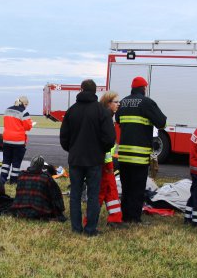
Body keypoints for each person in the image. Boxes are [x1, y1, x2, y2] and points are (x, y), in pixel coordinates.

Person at [60, 79, 116, 236]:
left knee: (75, 194)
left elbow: (64, 137)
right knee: (93, 195)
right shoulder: (101, 111)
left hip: (76, 159)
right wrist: (100, 151)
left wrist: (72, 149)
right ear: (95, 91)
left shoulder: (71, 111)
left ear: (81, 89)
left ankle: (76, 228)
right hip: (94, 160)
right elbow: (110, 138)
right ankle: (90, 229)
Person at [115, 76, 167, 226]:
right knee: (137, 188)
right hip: (139, 156)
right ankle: (135, 218)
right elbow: (162, 122)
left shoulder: (123, 102)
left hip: (124, 155)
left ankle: (125, 215)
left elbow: (118, 119)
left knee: (126, 187)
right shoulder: (147, 103)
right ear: (144, 88)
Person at [9, 155, 66, 221]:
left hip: (20, 210)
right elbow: (56, 195)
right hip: (40, 212)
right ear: (42, 167)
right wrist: (60, 209)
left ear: (31, 164)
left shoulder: (21, 175)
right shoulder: (46, 178)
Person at [96, 91, 123, 226]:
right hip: (103, 162)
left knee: (111, 190)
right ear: (108, 103)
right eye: (116, 102)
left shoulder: (107, 116)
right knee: (101, 191)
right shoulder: (104, 117)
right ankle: (90, 219)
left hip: (107, 161)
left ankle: (115, 218)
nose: (119, 104)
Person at [0, 96, 34, 184]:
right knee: (16, 162)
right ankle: (13, 181)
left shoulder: (7, 110)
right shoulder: (24, 112)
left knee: (6, 161)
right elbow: (28, 127)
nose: (26, 106)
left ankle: (2, 179)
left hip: (6, 139)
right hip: (18, 141)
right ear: (23, 103)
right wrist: (31, 124)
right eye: (26, 104)